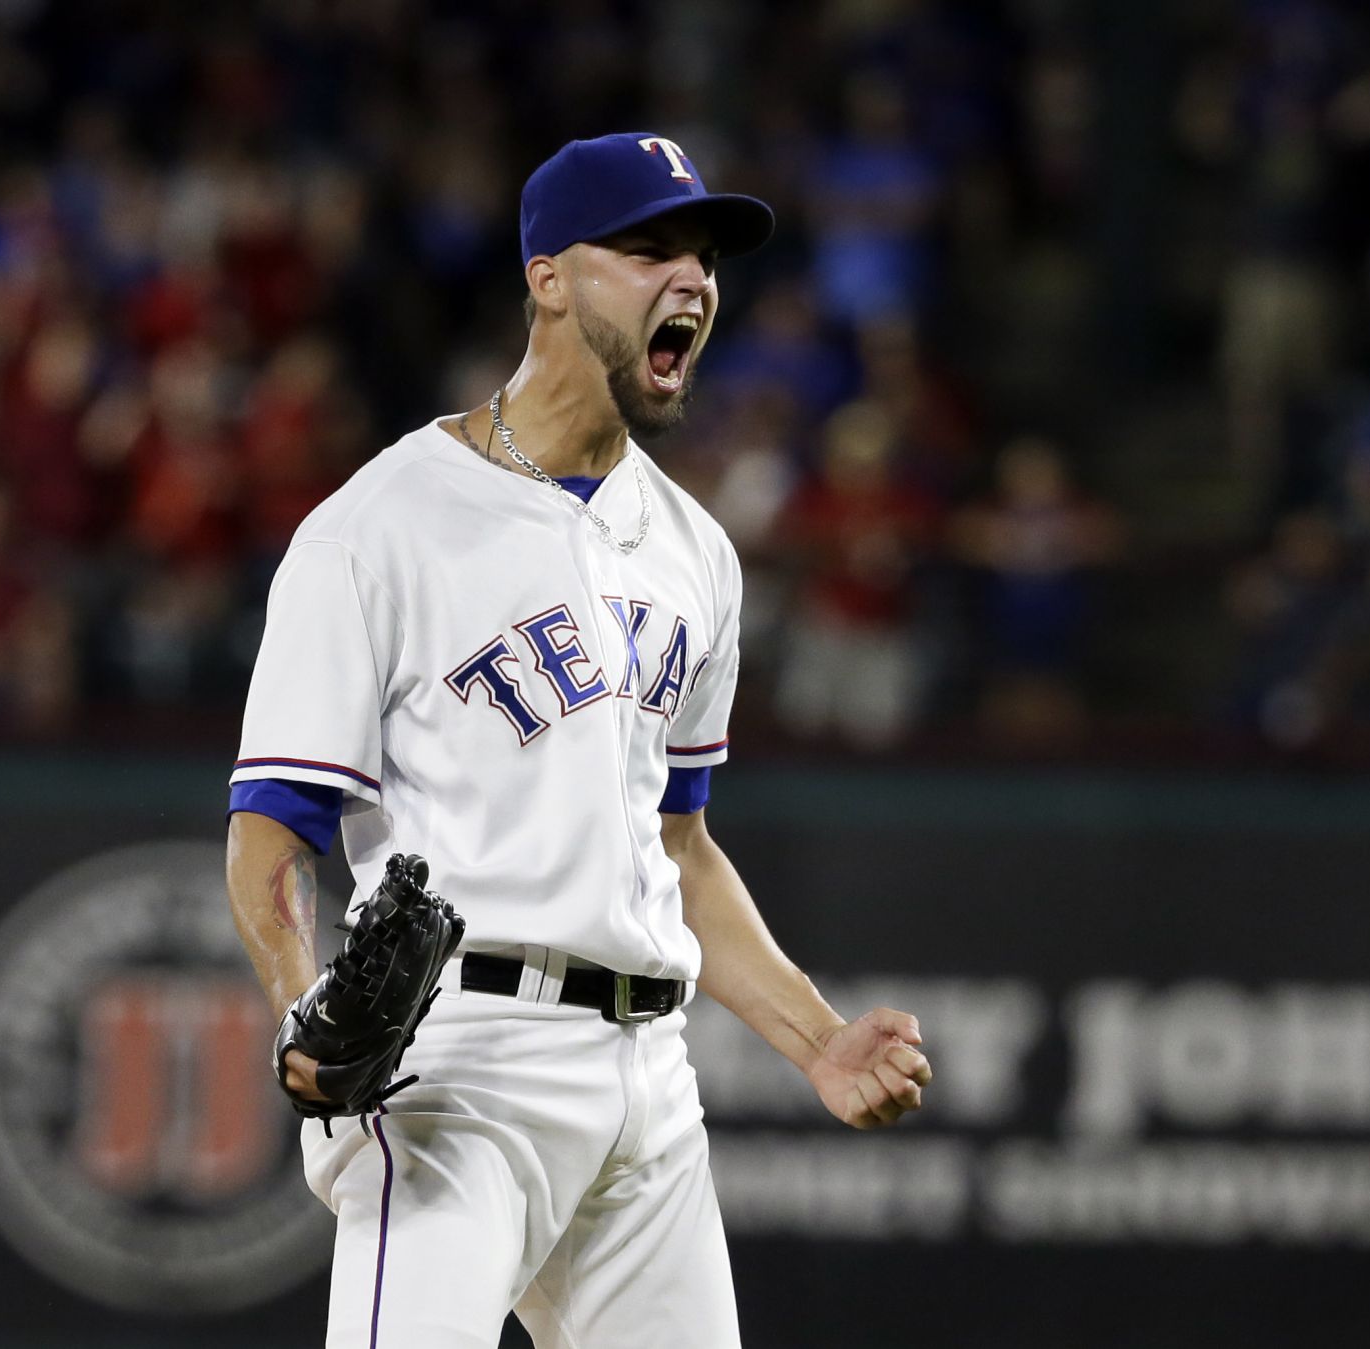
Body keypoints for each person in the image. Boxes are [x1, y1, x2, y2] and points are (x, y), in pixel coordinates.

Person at [224, 132, 932, 1349]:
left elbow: (680, 847)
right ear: (548, 277)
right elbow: (270, 831)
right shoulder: (377, 526)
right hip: (455, 1069)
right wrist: (305, 1018)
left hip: (649, 1082)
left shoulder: (697, 552)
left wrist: (816, 1038)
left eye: (703, 258)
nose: (692, 281)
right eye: (649, 248)